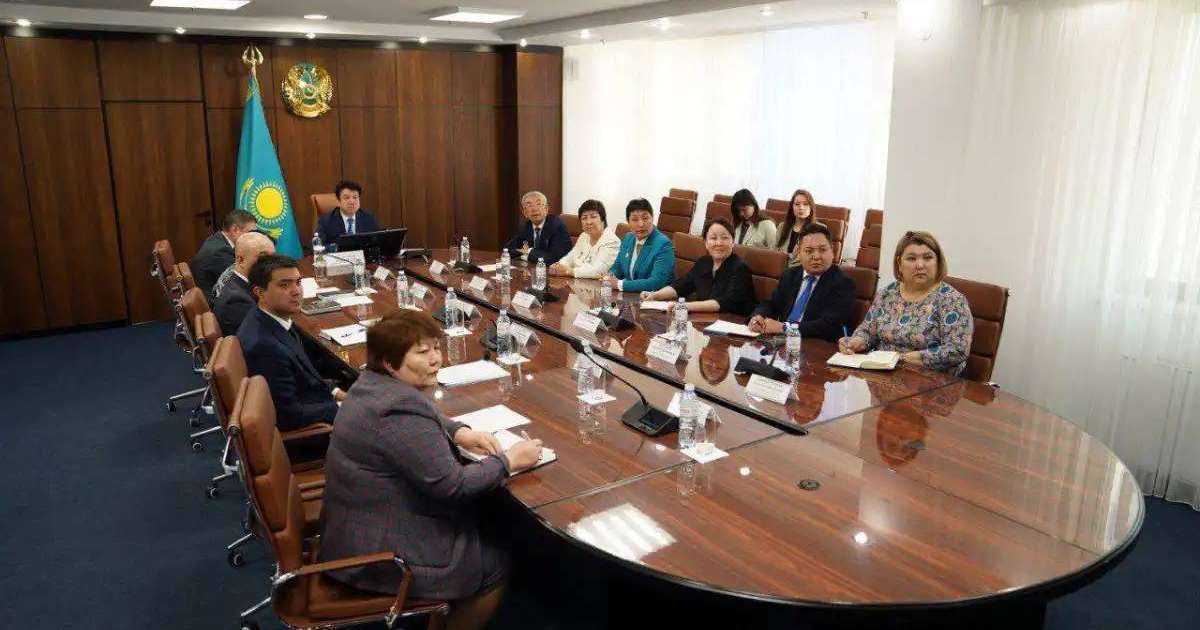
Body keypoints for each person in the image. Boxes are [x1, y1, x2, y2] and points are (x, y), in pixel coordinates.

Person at [318, 310, 543, 630]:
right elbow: (454, 486)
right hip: (382, 554)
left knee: (491, 516)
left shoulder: (370, 384)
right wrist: (509, 461)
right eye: (423, 353)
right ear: (390, 363)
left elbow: (423, 415)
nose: (436, 359)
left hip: (356, 528)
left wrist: (458, 431)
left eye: (436, 348)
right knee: (494, 567)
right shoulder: (397, 410)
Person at [840, 230, 973, 375]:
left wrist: (900, 358)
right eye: (911, 258)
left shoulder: (952, 300)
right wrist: (856, 342)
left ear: (938, 262)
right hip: (882, 376)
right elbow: (867, 331)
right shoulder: (886, 294)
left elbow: (957, 350)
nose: (920, 265)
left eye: (928, 258)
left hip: (931, 382)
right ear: (899, 263)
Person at [237, 254, 345, 431]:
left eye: (298, 282)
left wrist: (338, 393)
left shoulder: (273, 319)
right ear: (260, 292)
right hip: (312, 436)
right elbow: (289, 415)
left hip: (316, 399)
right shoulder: (265, 347)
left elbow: (306, 376)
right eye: (284, 285)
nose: (296, 291)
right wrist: (346, 408)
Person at [749, 222, 856, 342]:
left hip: (813, 346)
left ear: (832, 251)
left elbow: (829, 326)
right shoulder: (790, 275)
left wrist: (784, 328)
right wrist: (757, 317)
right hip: (780, 343)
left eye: (822, 250)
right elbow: (771, 304)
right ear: (799, 253)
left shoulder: (843, 283)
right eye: (809, 251)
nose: (816, 256)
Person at [639, 217, 755, 316]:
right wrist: (655, 295)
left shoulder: (740, 269)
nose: (718, 243)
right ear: (706, 243)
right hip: (705, 323)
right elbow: (680, 285)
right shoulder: (704, 262)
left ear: (733, 242)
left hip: (732, 330)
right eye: (713, 238)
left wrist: (684, 306)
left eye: (724, 238)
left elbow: (725, 303)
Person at [600, 198, 675, 292]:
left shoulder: (664, 244)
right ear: (628, 222)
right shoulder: (628, 238)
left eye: (645, 218)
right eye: (635, 219)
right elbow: (618, 266)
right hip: (630, 298)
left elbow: (657, 282)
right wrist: (609, 277)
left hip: (655, 300)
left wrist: (620, 284)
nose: (641, 224)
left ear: (652, 218)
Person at [213, 232, 275, 335]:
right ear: (241, 260)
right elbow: (258, 339)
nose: (271, 264)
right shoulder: (236, 301)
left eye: (272, 258)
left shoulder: (238, 280)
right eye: (263, 259)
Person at [192, 209, 257, 304]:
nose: (254, 237)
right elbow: (243, 280)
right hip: (214, 305)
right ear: (235, 230)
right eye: (251, 232)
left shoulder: (217, 239)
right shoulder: (220, 251)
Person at [547, 199, 620, 278]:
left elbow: (598, 271)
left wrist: (569, 271)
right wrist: (559, 266)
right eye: (584, 218)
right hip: (577, 283)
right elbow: (570, 257)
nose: (588, 222)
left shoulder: (612, 241)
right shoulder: (584, 236)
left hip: (598, 286)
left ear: (602, 219)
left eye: (593, 217)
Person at [502, 190, 572, 265]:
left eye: (539, 204)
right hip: (532, 270)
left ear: (546, 209)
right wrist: (530, 254)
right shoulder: (525, 226)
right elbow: (507, 250)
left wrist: (527, 253)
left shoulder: (557, 226)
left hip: (555, 273)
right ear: (525, 212)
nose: (534, 209)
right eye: (529, 205)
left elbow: (556, 258)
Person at [316, 180, 381, 245]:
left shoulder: (368, 218)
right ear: (338, 201)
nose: (352, 202)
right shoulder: (325, 221)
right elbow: (319, 246)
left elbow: (380, 240)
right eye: (346, 198)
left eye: (355, 197)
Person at [773, 189, 816, 257]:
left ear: (811, 208)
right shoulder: (782, 227)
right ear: (792, 207)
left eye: (805, 204)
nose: (801, 208)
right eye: (797, 204)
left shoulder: (818, 230)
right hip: (780, 265)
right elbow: (774, 251)